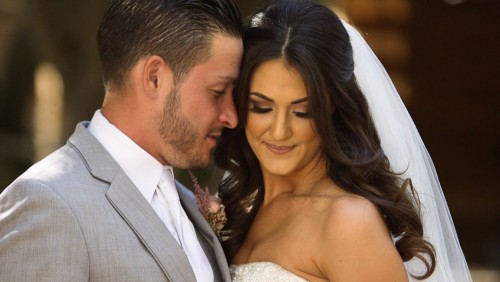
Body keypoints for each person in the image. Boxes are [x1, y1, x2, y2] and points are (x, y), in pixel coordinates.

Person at [214, 0, 472, 281]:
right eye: (261, 107)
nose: (279, 131)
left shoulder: (348, 222)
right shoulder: (238, 206)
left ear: (332, 107)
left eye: (303, 112)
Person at [0, 0, 242, 281]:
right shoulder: (48, 201)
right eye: (217, 91)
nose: (232, 117)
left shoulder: (189, 204)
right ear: (154, 78)